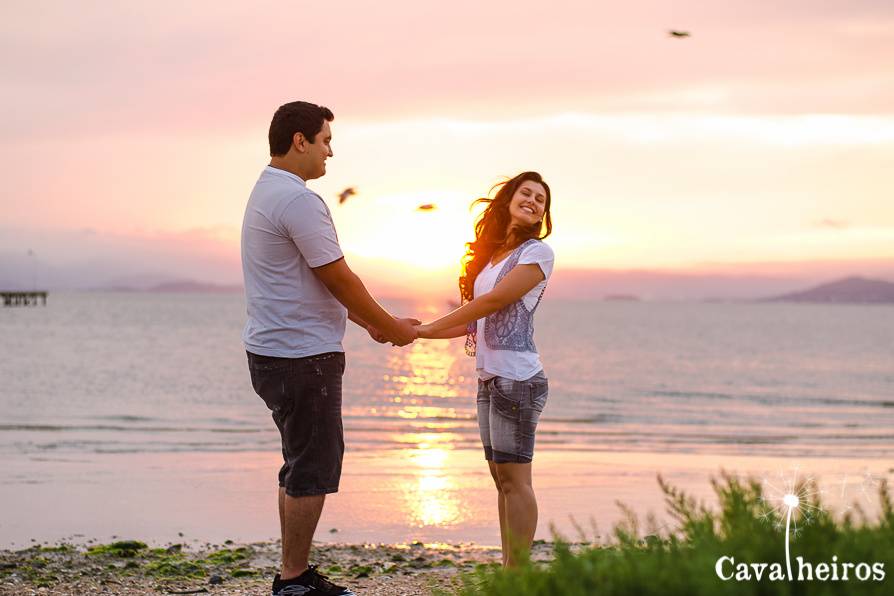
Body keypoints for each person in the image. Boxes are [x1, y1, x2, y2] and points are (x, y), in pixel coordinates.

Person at [241, 100, 419, 596]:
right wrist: (391, 325)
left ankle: (292, 572)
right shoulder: (298, 200)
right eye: (325, 141)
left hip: (274, 352)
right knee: (314, 464)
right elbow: (338, 276)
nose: (330, 153)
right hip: (302, 358)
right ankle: (294, 580)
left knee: (298, 461)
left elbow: (313, 283)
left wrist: (369, 325)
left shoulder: (266, 189)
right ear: (300, 140)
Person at [415, 171, 554, 567]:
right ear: (508, 199)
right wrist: (419, 332)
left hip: (519, 379)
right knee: (501, 480)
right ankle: (509, 570)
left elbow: (494, 302)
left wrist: (427, 327)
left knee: (516, 480)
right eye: (525, 193)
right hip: (490, 378)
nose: (532, 201)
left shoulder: (537, 254)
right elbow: (473, 322)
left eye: (540, 199)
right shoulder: (489, 257)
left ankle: (518, 576)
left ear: (543, 213)